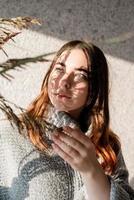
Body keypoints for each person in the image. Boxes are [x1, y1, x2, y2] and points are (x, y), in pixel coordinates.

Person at [0, 40, 134, 200]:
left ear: (95, 88)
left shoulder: (108, 147)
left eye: (81, 75)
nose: (65, 81)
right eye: (59, 69)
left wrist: (92, 172)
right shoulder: (13, 133)